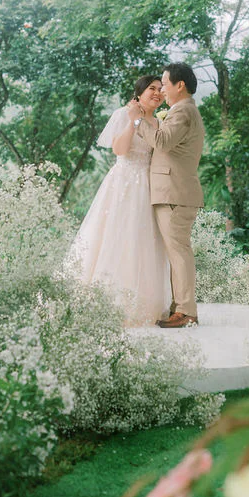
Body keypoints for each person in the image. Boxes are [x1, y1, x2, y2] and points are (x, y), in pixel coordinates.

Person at [67, 75, 172, 327]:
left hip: (147, 186)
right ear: (139, 93)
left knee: (143, 242)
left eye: (160, 89)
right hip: (123, 184)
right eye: (151, 89)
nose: (157, 93)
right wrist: (133, 120)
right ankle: (108, 303)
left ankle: (142, 304)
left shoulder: (158, 121)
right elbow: (120, 150)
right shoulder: (122, 114)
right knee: (116, 238)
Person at [129, 62, 205, 328]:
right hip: (174, 192)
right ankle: (179, 307)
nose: (162, 89)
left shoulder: (182, 112)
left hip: (175, 193)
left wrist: (137, 120)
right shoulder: (181, 112)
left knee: (179, 252)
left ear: (179, 85)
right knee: (177, 252)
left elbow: (162, 141)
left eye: (165, 83)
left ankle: (186, 312)